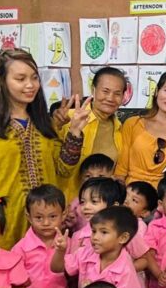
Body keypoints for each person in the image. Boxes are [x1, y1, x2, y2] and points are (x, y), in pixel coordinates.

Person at [0, 49, 88, 248]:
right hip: (2, 223)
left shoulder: (44, 122)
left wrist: (74, 133)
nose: (30, 85)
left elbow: (64, 170)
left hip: (44, 225)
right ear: (2, 81)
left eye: (34, 78)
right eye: (20, 79)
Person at [52, 67, 127, 201]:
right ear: (93, 90)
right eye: (105, 91)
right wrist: (56, 124)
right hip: (66, 204)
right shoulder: (69, 118)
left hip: (99, 207)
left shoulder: (120, 129)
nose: (110, 98)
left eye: (117, 93)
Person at [53, 206, 142, 288]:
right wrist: (60, 251)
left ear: (123, 238)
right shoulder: (86, 252)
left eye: (103, 232)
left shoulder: (126, 269)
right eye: (94, 231)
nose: (95, 237)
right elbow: (57, 268)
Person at [64, 153, 116, 232]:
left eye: (101, 176)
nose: (93, 180)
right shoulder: (77, 202)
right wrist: (72, 221)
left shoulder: (114, 200)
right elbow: (70, 222)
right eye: (88, 176)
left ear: (112, 178)